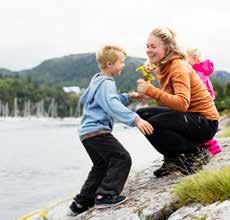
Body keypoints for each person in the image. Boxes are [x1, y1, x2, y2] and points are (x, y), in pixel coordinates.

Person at [68, 45, 153, 216]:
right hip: (98, 131)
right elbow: (112, 104)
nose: (123, 65)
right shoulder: (106, 83)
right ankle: (105, 195)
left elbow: (109, 100)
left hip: (87, 134)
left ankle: (81, 202)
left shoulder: (97, 80)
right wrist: (135, 119)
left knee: (101, 166)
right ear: (109, 63)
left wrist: (129, 96)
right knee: (122, 158)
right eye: (121, 62)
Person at [136, 27, 220, 178]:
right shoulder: (165, 66)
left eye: (153, 46)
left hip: (205, 122)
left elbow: (181, 104)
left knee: (153, 124)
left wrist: (152, 91)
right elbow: (170, 101)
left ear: (167, 47)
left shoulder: (178, 66)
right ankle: (173, 159)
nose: (148, 50)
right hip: (191, 118)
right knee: (142, 115)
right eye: (147, 46)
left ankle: (194, 153)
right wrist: (151, 94)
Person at [187, 48, 222, 156]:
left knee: (201, 130)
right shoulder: (201, 72)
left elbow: (199, 91)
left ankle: (213, 149)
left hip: (202, 105)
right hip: (208, 104)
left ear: (194, 58)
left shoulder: (197, 74)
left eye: (184, 59)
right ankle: (210, 148)